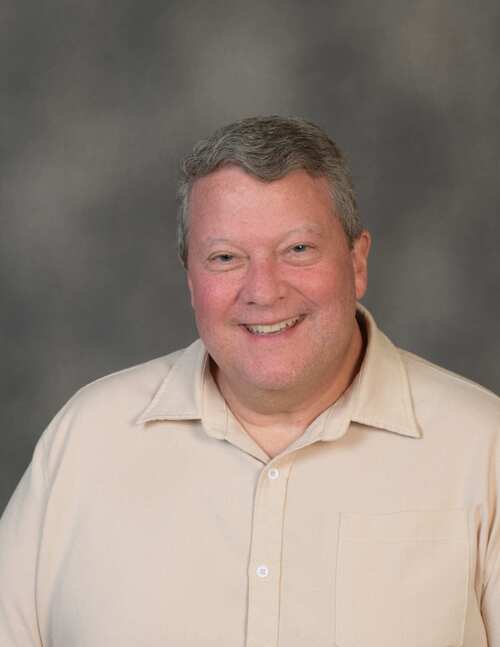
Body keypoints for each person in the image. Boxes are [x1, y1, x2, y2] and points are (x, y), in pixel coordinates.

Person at [0, 116, 498, 647]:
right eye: (226, 258)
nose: (263, 291)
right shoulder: (87, 439)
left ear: (356, 262)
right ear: (191, 279)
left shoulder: (482, 446)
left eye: (298, 250)